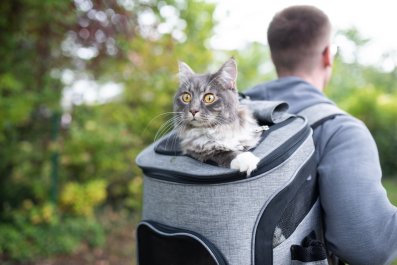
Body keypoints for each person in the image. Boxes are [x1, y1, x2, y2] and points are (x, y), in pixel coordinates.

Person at [244, 5, 397, 265]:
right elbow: (369, 246)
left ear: (273, 57)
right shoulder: (339, 131)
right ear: (328, 55)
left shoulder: (222, 115)